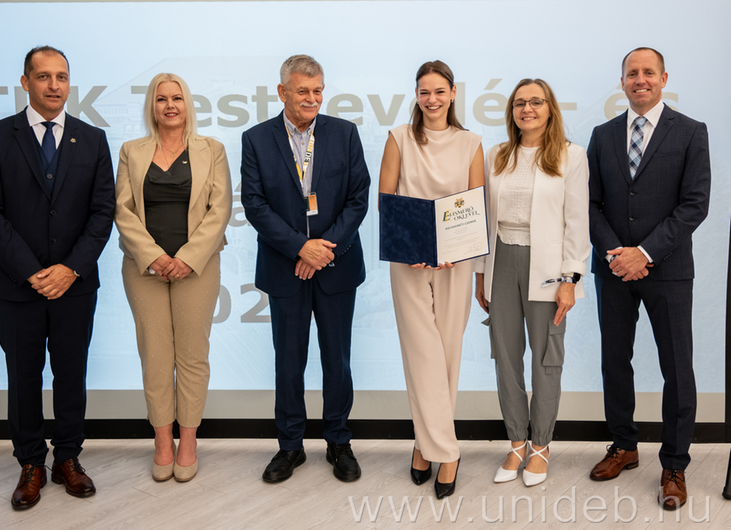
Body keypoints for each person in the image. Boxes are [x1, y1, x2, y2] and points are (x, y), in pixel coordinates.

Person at [0, 46, 115, 510]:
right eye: (44, 76)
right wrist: (33, 272)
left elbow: (103, 213)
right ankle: (31, 463)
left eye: (62, 77)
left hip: (75, 285)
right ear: (25, 82)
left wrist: (70, 269)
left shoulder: (92, 139)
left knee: (72, 375)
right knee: (23, 377)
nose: (54, 85)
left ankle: (67, 458)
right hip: (18, 287)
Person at [587, 47, 710, 510]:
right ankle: (624, 445)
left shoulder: (691, 132)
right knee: (614, 361)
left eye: (648, 73)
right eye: (632, 73)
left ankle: (674, 464)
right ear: (622, 81)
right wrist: (617, 254)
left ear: (663, 79)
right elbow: (589, 203)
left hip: (668, 270)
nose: (640, 79)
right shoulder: (602, 135)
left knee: (677, 367)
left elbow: (695, 205)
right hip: (613, 268)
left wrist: (645, 253)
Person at [241, 54, 370, 484]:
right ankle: (290, 446)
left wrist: (323, 250)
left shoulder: (345, 133)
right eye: (302, 91)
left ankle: (338, 441)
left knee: (338, 361)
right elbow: (255, 205)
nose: (312, 98)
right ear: (282, 92)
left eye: (317, 90)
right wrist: (301, 247)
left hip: (336, 266)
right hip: (286, 268)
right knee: (289, 362)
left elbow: (358, 197)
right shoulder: (256, 139)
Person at [114, 73, 232, 483]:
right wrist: (153, 257)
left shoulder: (211, 149)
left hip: (196, 268)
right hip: (144, 269)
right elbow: (122, 210)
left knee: (192, 356)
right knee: (156, 355)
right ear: (152, 105)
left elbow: (220, 209)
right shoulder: (131, 151)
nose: (169, 105)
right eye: (161, 99)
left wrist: (186, 258)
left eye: (176, 98)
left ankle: (188, 442)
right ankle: (162, 441)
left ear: (187, 104)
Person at [473, 79, 589, 487]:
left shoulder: (571, 156)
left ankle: (540, 446)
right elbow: (483, 218)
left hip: (549, 268)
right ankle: (516, 443)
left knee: (546, 360)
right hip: (501, 261)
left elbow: (577, 222)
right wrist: (481, 274)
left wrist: (570, 279)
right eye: (520, 102)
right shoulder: (497, 155)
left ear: (550, 108)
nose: (528, 108)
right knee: (506, 359)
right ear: (512, 112)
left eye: (536, 101)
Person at [379, 60, 485, 499]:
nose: (432, 99)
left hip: (456, 263)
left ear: (453, 93)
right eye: (424, 91)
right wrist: (415, 247)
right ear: (416, 95)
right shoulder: (399, 137)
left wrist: (452, 251)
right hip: (409, 261)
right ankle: (447, 450)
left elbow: (475, 206)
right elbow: (386, 200)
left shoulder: (471, 143)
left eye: (440, 91)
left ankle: (425, 445)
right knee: (421, 352)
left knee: (447, 354)